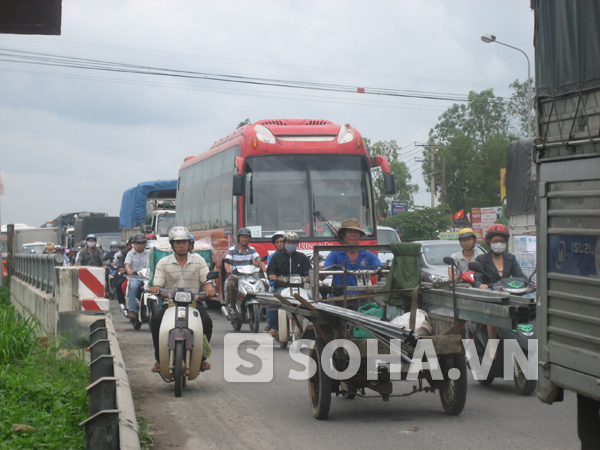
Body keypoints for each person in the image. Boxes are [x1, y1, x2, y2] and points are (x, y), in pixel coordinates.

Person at [149, 226, 216, 372]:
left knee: (207, 322)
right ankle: (159, 360)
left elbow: (207, 282)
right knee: (155, 322)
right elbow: (158, 283)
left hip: (194, 303)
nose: (182, 245)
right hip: (171, 304)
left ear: (189, 244)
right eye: (178, 242)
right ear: (172, 244)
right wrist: (156, 288)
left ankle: (202, 358)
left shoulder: (199, 261)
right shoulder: (163, 262)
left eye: (184, 242)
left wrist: (210, 290)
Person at [473, 223, 526, 358]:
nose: (499, 244)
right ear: (489, 242)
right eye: (495, 241)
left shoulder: (510, 258)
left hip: (508, 295)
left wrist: (531, 283)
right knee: (493, 314)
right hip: (490, 297)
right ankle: (492, 345)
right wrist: (481, 286)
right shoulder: (482, 259)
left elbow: (520, 276)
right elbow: (477, 279)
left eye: (502, 241)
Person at [322, 218, 382, 310]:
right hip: (339, 298)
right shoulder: (335, 253)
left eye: (356, 232)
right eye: (350, 232)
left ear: (359, 235)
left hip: (362, 299)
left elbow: (382, 270)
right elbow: (323, 274)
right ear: (343, 235)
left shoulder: (367, 254)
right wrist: (318, 274)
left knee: (378, 313)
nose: (353, 235)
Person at [266, 231, 312, 336]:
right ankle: (274, 326)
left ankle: (311, 326)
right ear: (285, 243)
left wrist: (310, 277)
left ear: (297, 243)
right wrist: (272, 276)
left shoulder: (302, 257)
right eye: (289, 242)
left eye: (293, 242)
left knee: (311, 301)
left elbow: (308, 271)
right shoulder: (276, 257)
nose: (291, 244)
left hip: (298, 289)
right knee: (273, 301)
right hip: (281, 288)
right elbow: (270, 270)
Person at [223, 228, 266, 319]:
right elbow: (227, 262)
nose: (244, 239)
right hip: (237, 276)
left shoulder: (252, 249)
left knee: (264, 283)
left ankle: (263, 307)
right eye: (243, 237)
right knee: (230, 285)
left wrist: (263, 267)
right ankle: (234, 308)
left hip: (250, 276)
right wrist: (228, 269)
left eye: (247, 237)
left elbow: (258, 259)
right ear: (239, 238)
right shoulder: (232, 250)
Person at [124, 233, 149, 320]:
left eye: (142, 243)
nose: (140, 245)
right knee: (133, 286)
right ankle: (131, 310)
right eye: (138, 243)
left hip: (147, 279)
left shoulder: (149, 253)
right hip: (135, 278)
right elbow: (127, 264)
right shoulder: (130, 253)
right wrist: (129, 270)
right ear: (135, 243)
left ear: (145, 243)